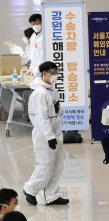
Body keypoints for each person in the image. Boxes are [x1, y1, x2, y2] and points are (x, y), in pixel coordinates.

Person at [23, 61, 69, 206]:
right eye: (52, 72)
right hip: (44, 135)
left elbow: (55, 113)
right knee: (46, 165)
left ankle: (52, 195)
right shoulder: (40, 93)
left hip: (56, 132)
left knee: (58, 164)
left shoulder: (52, 91)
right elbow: (41, 118)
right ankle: (30, 188)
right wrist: (49, 136)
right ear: (44, 73)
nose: (55, 75)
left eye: (56, 72)